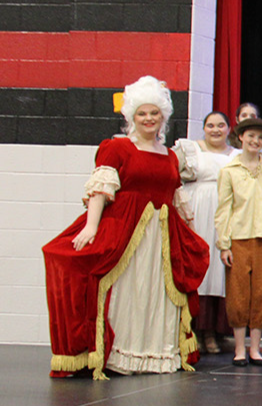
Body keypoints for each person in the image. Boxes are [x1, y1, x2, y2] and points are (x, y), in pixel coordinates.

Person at [44, 76, 210, 379]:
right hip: (125, 231)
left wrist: (190, 230)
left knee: (155, 294)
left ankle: (153, 354)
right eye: (142, 114)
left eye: (154, 113)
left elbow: (175, 196)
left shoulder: (171, 155)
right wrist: (92, 227)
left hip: (161, 238)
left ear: (163, 117)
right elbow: (101, 189)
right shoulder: (116, 148)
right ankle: (119, 355)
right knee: (125, 293)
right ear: (132, 117)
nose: (149, 119)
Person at [216, 118, 262, 367]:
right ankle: (239, 348)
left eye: (260, 138)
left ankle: (256, 348)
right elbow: (224, 209)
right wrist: (223, 243)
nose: (255, 142)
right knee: (238, 292)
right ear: (241, 138)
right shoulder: (230, 171)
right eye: (251, 137)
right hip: (238, 237)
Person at [175, 111, 238, 353]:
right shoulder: (190, 149)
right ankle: (192, 331)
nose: (215, 130)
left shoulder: (236, 155)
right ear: (204, 128)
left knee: (217, 271)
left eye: (220, 125)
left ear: (228, 128)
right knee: (197, 265)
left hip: (223, 211)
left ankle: (212, 332)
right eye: (210, 125)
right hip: (196, 209)